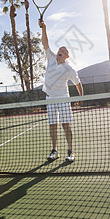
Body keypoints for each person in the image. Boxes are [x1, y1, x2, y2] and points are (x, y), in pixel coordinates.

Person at [39, 20, 83, 162]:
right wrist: (44, 27)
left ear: (67, 56)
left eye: (64, 51)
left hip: (63, 98)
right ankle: (54, 151)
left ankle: (70, 151)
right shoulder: (51, 57)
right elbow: (45, 42)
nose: (61, 51)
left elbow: (78, 83)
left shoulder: (69, 69)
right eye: (60, 49)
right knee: (52, 125)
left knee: (65, 125)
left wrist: (80, 97)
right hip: (50, 98)